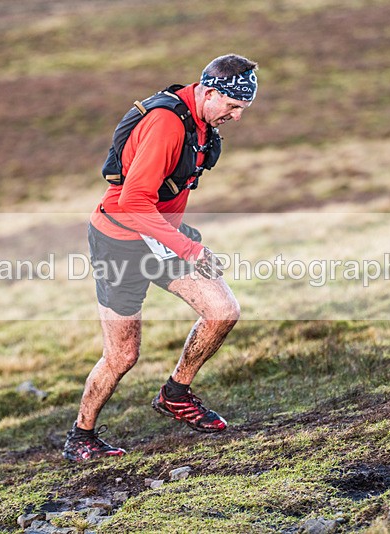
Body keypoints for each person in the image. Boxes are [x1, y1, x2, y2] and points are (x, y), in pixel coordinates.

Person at [63, 54, 258, 462]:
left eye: (242, 110)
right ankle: (81, 436)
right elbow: (133, 202)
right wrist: (189, 247)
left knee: (222, 309)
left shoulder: (201, 124)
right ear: (208, 92)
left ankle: (175, 394)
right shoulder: (167, 123)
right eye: (233, 106)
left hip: (160, 236)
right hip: (118, 241)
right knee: (122, 355)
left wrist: (179, 241)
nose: (236, 117)